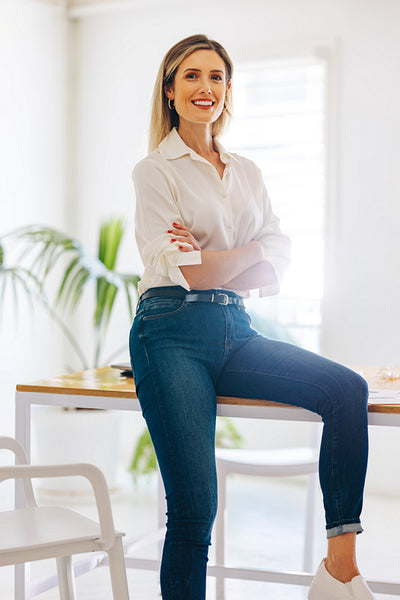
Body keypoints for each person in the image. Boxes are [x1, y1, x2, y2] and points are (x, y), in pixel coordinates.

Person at [129, 33, 375, 600]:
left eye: (216, 77)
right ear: (170, 90)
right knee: (194, 508)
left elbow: (277, 261)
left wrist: (224, 262)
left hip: (235, 329)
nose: (205, 88)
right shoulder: (154, 171)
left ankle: (340, 569)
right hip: (170, 332)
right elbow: (188, 274)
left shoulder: (246, 172)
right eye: (192, 76)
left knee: (345, 390)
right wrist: (246, 255)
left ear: (227, 90)